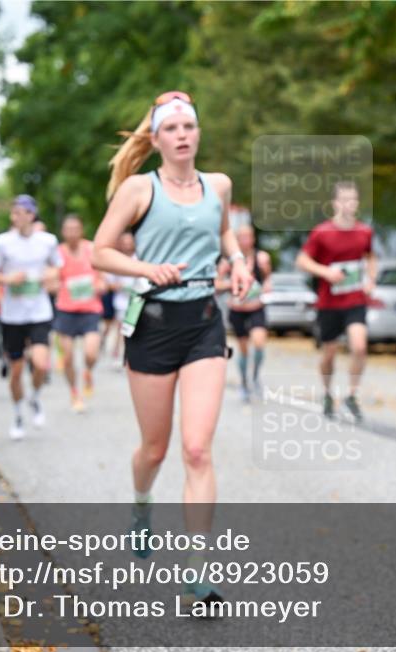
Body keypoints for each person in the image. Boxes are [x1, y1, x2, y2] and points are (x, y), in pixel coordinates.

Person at [91, 90, 252, 606]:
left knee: (197, 449)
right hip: (153, 322)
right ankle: (141, 504)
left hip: (204, 320)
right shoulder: (140, 189)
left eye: (189, 126)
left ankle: (199, 571)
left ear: (198, 133)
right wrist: (144, 269)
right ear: (157, 138)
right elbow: (100, 251)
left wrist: (240, 262)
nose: (183, 135)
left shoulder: (219, 185)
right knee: (155, 449)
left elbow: (225, 231)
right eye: (172, 128)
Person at [295, 181, 376, 421]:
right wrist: (325, 272)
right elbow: (302, 261)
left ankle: (352, 395)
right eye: (344, 199)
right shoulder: (322, 232)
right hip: (329, 303)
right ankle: (328, 393)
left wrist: (371, 279)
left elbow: (371, 257)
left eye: (353, 200)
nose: (349, 204)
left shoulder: (364, 232)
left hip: (355, 299)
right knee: (329, 354)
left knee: (360, 346)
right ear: (334, 203)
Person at [0, 195, 63, 441]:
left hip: (39, 312)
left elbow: (57, 267)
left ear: (31, 215)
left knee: (40, 363)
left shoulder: (47, 241)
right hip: (12, 316)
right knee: (16, 372)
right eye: (13, 213)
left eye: (20, 212)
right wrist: (8, 280)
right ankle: (18, 414)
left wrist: (47, 275)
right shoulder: (3, 242)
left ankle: (35, 398)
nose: (15, 217)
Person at [53, 214, 105, 412]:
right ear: (63, 232)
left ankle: (88, 372)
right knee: (67, 358)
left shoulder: (91, 249)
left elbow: (103, 277)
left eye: (76, 228)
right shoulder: (58, 253)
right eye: (68, 229)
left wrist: (100, 285)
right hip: (66, 310)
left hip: (90, 309)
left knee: (91, 353)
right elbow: (52, 277)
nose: (72, 233)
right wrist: (54, 284)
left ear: (81, 230)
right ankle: (74, 392)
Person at [217, 224, 272, 402]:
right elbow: (216, 284)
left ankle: (255, 376)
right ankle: (244, 382)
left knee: (258, 343)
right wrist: (230, 285)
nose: (244, 240)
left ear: (253, 238)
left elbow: (268, 278)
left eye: (247, 236)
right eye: (240, 237)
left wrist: (266, 286)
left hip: (256, 308)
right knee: (243, 349)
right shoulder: (228, 262)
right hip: (237, 309)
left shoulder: (262, 258)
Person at [101, 232, 137, 366]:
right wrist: (119, 286)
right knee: (121, 328)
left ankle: (127, 353)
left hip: (136, 300)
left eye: (130, 242)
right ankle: (118, 354)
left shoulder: (140, 258)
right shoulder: (115, 259)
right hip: (121, 301)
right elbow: (108, 282)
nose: (127, 245)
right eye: (125, 242)